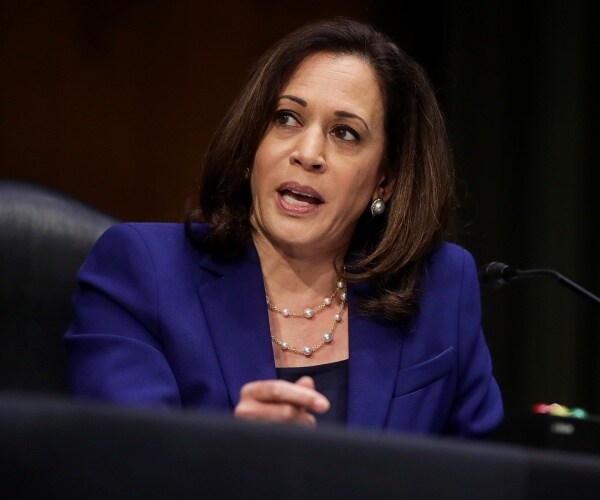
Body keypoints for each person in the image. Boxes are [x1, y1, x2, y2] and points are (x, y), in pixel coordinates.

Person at [64, 17, 503, 436]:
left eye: (345, 133)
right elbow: (124, 463)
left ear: (384, 180)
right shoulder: (142, 272)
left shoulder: (440, 288)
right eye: (286, 118)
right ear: (253, 140)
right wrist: (236, 458)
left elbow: (484, 476)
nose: (308, 152)